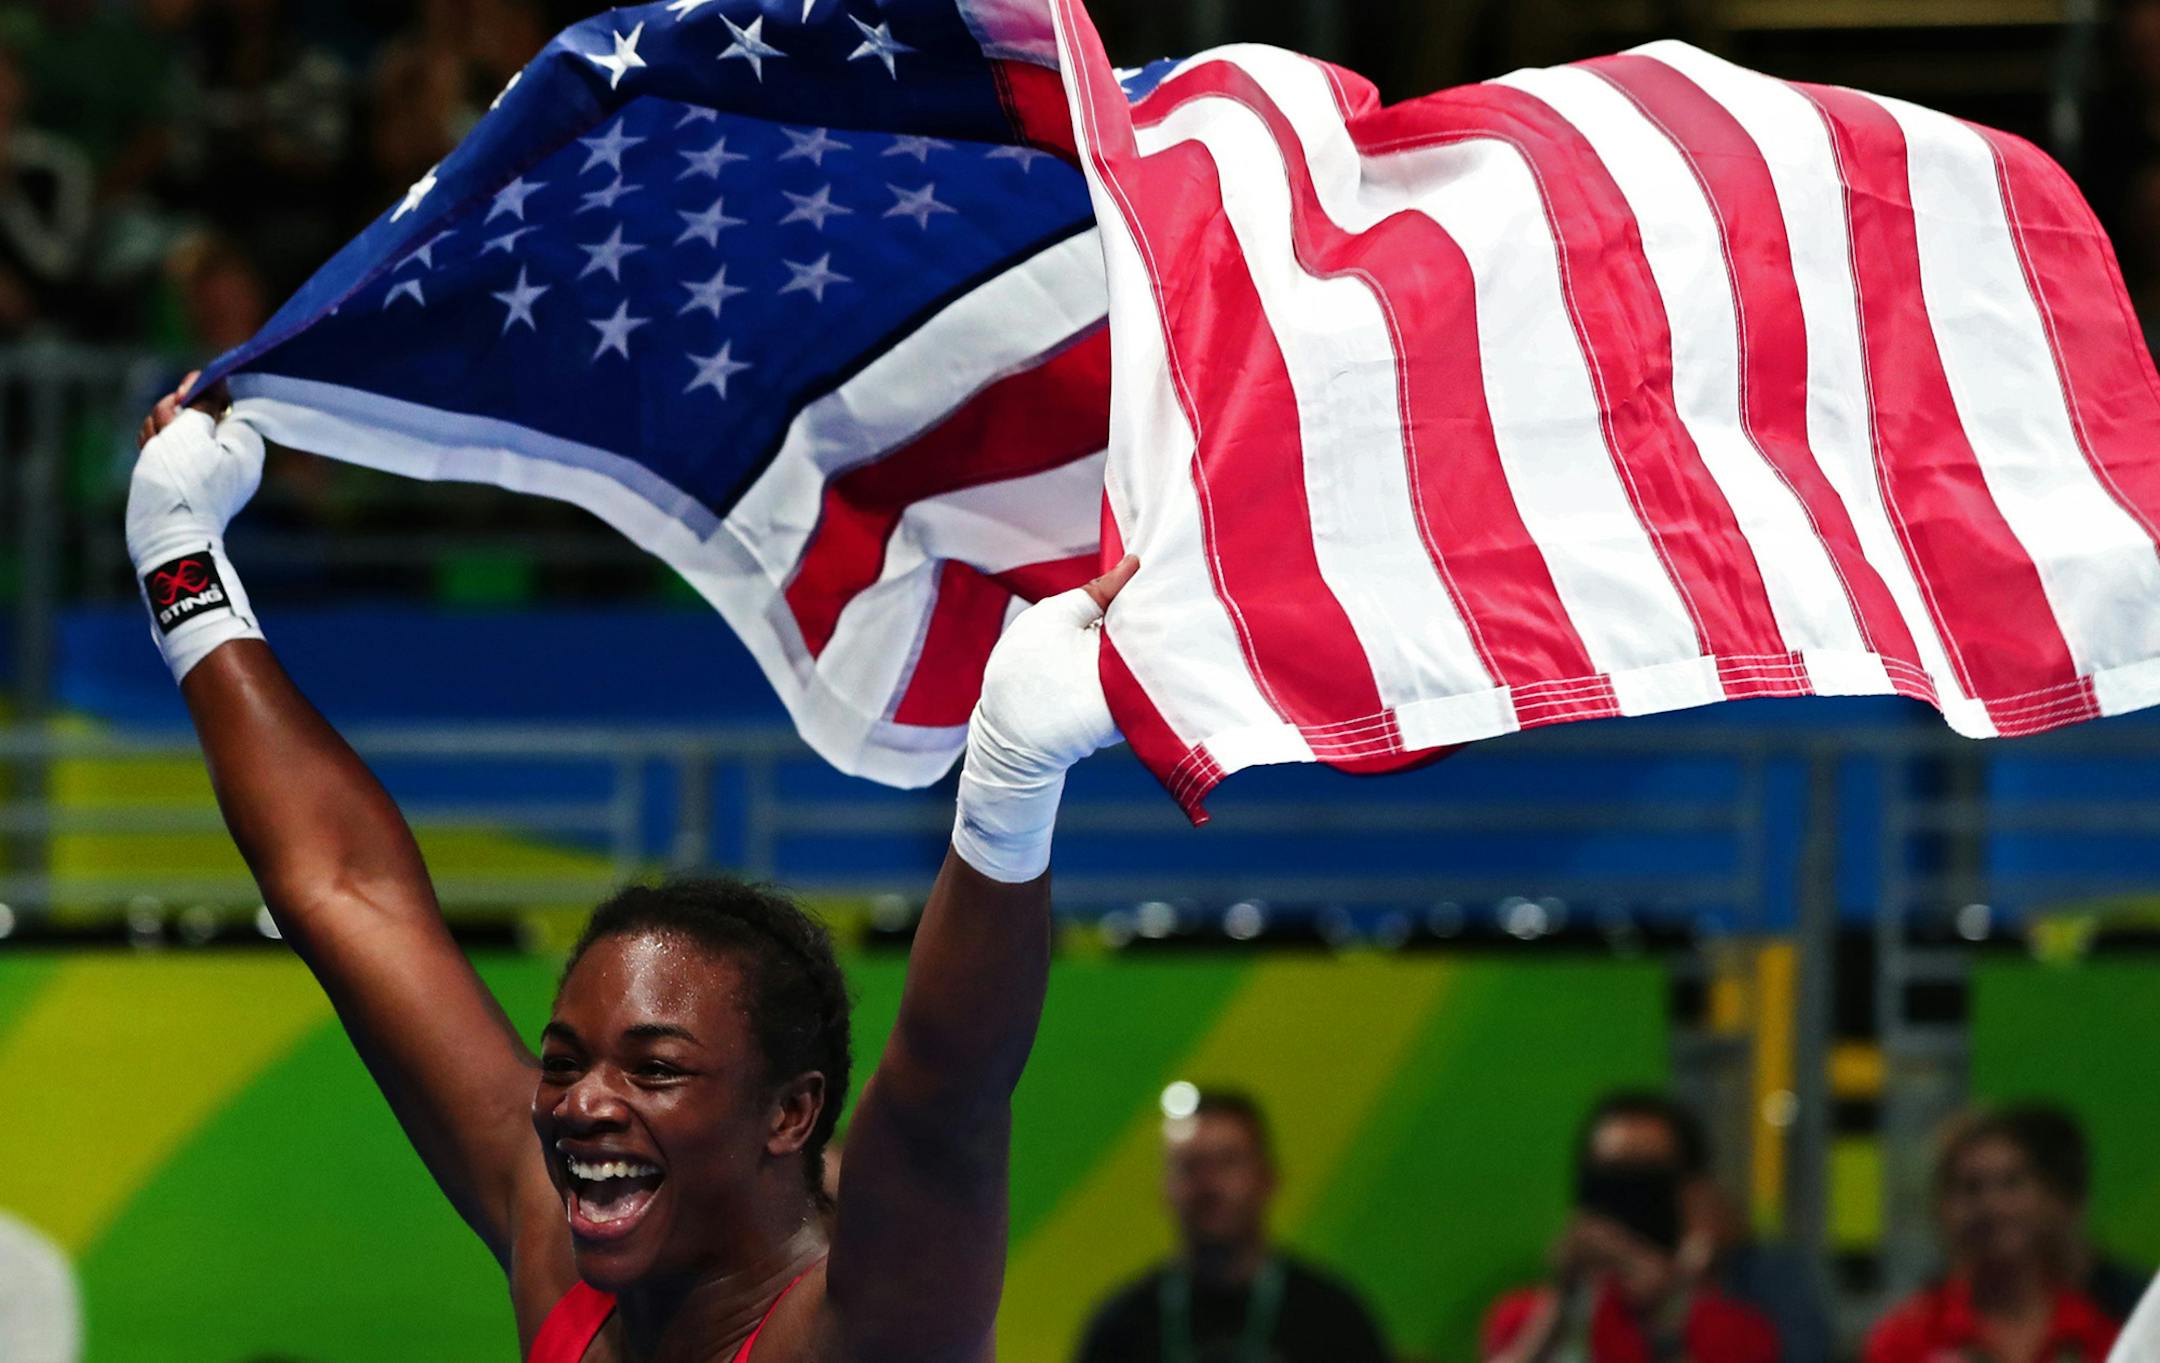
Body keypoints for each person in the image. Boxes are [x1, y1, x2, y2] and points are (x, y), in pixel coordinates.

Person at [127, 375, 1141, 1362]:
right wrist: (179, 554)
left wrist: (1010, 780)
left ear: (788, 1112)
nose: (579, 1103)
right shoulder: (559, 1241)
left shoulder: (871, 1331)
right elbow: (344, 887)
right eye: (563, 1060)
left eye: (655, 1067)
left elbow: (944, 1098)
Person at [1073, 1089, 1392, 1363]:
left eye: (1228, 1162)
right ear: (1165, 1188)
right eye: (1191, 1166)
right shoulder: (1122, 1328)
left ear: (1267, 1178)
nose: (1209, 1185)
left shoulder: (1331, 1321)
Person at [1481, 1093, 1780, 1363]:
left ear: (1692, 1194)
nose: (1628, 1202)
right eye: (1611, 1182)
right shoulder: (1524, 1318)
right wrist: (1561, 1308)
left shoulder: (1737, 1332)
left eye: (1647, 1184)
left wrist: (1668, 1313)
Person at [1865, 1108, 2121, 1363]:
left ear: (2045, 1197)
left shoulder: (2097, 1333)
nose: (1993, 1205)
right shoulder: (1907, 1339)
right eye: (1971, 1187)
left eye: (2011, 1182)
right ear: (1941, 1207)